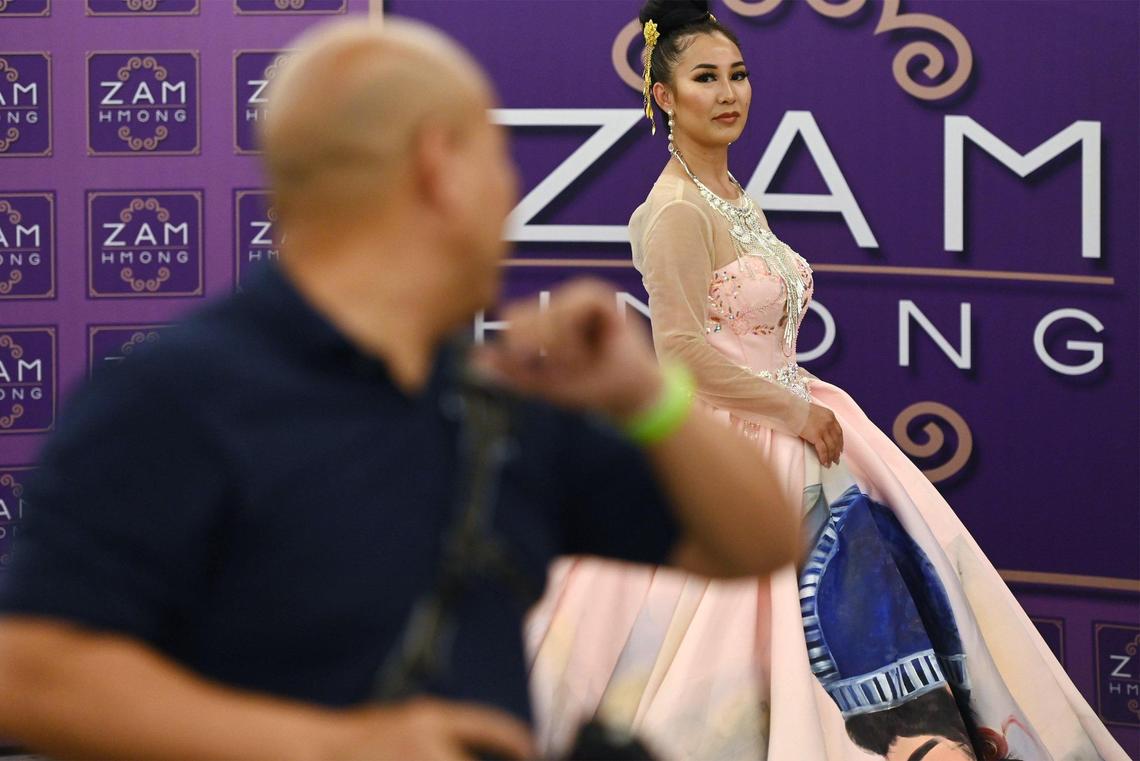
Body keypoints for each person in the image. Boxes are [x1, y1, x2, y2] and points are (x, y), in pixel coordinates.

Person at [0, 18, 802, 760]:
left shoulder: (498, 405)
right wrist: (336, 747)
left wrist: (645, 392)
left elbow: (762, 542)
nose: (510, 201)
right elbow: (28, 672)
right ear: (437, 167)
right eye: (497, 161)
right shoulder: (172, 398)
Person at [526, 3, 1129, 760]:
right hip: (742, 447)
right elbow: (679, 353)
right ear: (663, 97)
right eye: (704, 78)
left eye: (738, 75)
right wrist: (790, 409)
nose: (728, 93)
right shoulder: (674, 210)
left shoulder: (736, 196)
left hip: (801, 425)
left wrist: (799, 406)